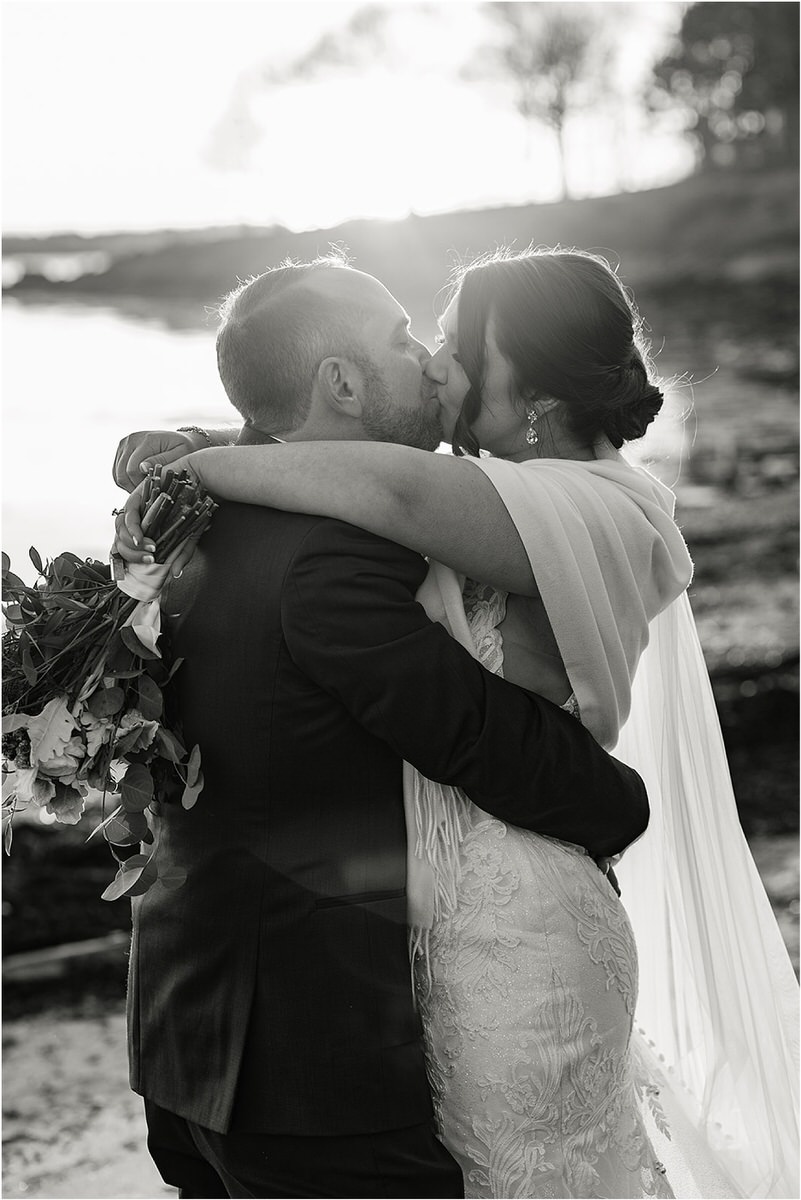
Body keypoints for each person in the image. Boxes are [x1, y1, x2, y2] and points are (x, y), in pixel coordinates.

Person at [117, 247, 799, 1200]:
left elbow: (390, 492)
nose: (432, 365)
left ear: (534, 392)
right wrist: (620, 805)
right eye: (413, 340)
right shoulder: (369, 525)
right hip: (359, 1002)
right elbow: (475, 729)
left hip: (430, 949)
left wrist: (195, 456)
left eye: (447, 345)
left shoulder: (583, 508)